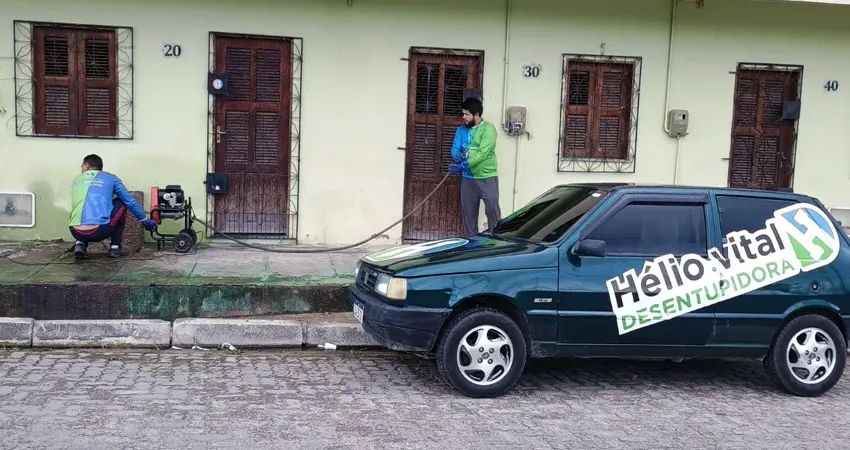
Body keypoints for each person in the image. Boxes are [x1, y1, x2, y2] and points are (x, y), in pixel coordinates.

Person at [68, 154, 157, 259]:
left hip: (74, 231)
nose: (82, 169)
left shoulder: (77, 180)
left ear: (87, 166)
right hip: (99, 230)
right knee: (121, 202)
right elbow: (130, 201)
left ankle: (80, 244)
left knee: (83, 207)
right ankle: (115, 247)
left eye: (82, 166)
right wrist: (145, 221)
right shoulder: (111, 178)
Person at [449, 97, 501, 236]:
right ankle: (471, 244)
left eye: (467, 114)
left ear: (476, 115)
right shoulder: (461, 130)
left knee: (492, 209)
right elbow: (454, 149)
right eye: (463, 114)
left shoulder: (488, 129)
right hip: (467, 179)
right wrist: (457, 156)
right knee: (469, 215)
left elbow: (483, 153)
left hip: (487, 177)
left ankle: (495, 240)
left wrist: (464, 164)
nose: (463, 117)